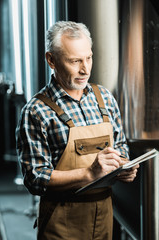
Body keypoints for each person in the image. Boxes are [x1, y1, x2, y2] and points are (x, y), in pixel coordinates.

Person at [16, 21, 139, 240]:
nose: (85, 69)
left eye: (88, 58)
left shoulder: (105, 99)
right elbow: (35, 177)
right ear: (51, 60)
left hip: (104, 218)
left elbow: (120, 146)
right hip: (61, 223)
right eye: (75, 61)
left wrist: (123, 166)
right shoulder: (36, 111)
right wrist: (89, 173)